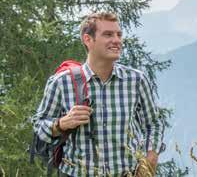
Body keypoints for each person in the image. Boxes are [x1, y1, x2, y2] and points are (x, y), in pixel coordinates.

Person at [32, 12, 161, 176]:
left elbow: (154, 124)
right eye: (108, 34)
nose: (116, 40)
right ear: (88, 39)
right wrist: (62, 123)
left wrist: (150, 158)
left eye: (119, 34)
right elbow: (38, 125)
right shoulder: (62, 82)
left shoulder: (136, 80)